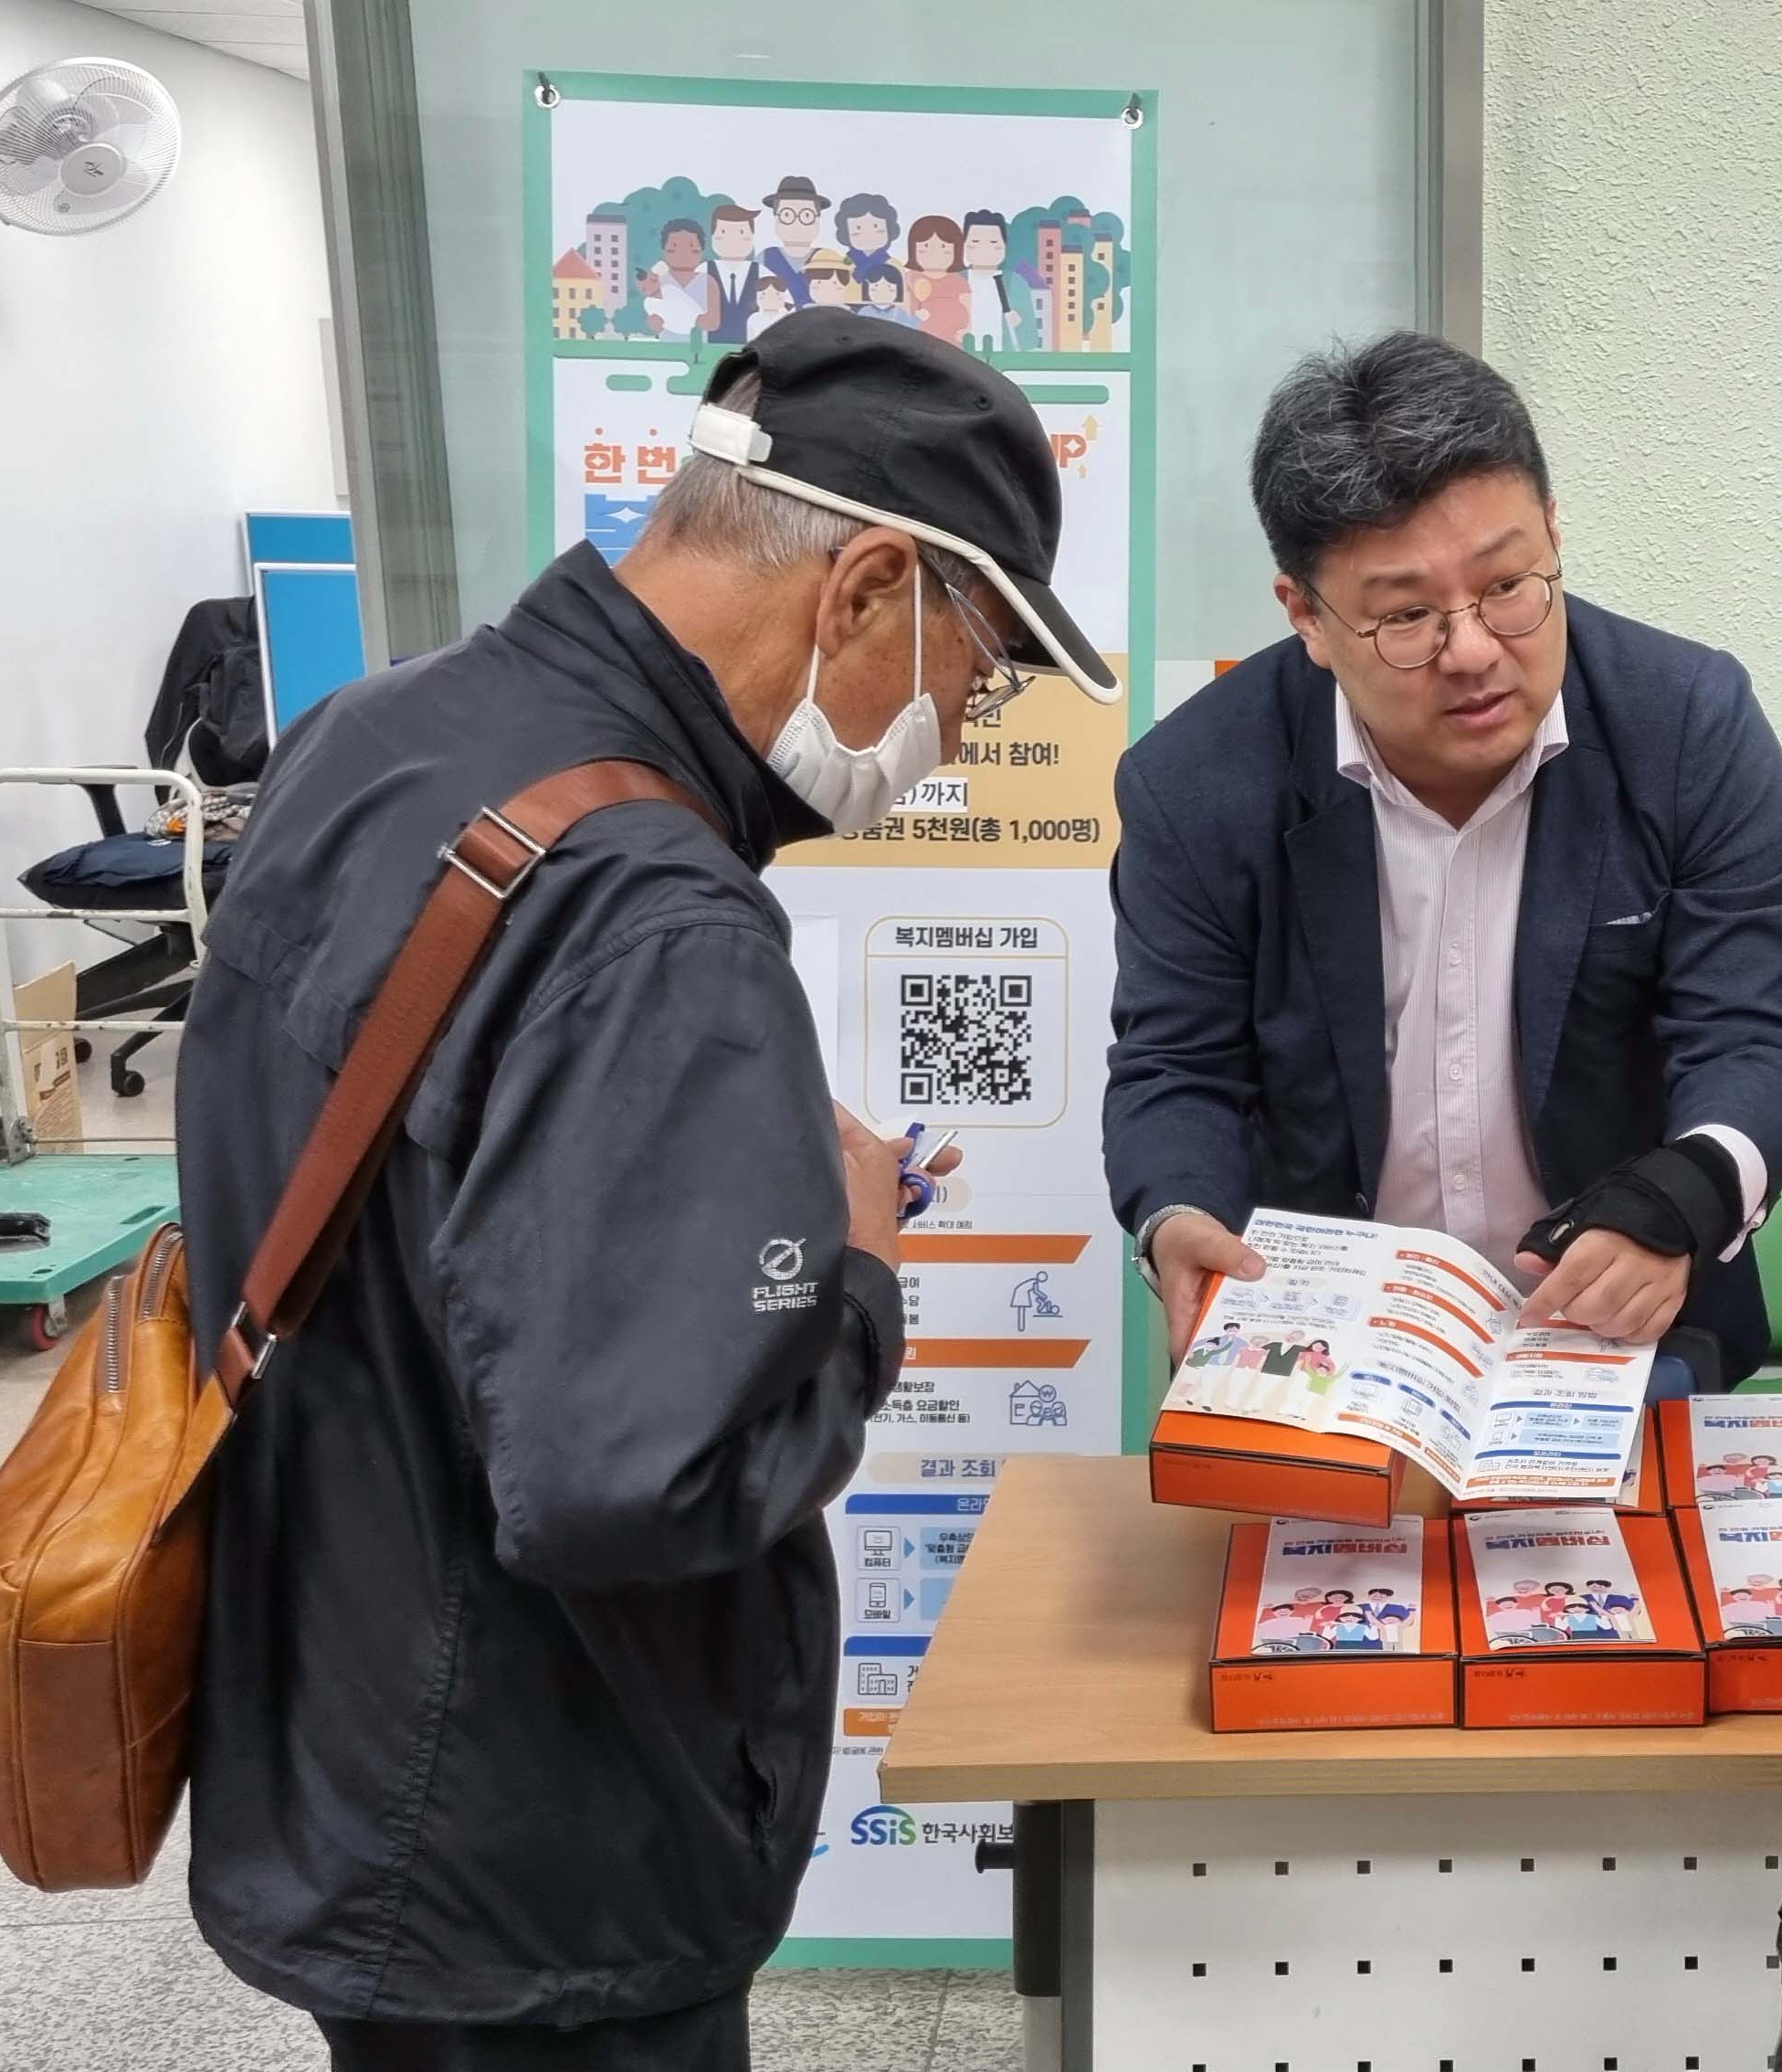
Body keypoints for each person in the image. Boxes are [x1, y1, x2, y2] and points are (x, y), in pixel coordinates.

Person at [174, 311, 1119, 2072]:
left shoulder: (386, 732)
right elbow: (640, 1478)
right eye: (975, 671)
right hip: (541, 1833)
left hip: (339, 1706)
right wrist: (853, 1267)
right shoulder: (652, 907)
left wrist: (718, 1149)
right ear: (864, 587)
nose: (959, 727)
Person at [1103, 333, 1782, 1392]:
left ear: (1553, 532)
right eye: (1405, 617)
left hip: (1621, 1336)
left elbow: (1751, 1032)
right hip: (1328, 1352)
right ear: (1305, 614)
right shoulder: (1198, 782)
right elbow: (1177, 1068)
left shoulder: (1686, 726)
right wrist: (1180, 1220)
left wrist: (1687, 1193)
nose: (1475, 648)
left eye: (1508, 585)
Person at [758, 174, 838, 302]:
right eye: (787, 215)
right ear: (776, 219)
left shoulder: (828, 258)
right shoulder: (765, 258)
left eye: (807, 215)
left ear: (817, 220)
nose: (797, 223)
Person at [701, 203, 767, 344]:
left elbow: (785, 302)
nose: (733, 240)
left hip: (751, 350)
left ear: (752, 237)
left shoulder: (761, 271)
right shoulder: (704, 270)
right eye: (723, 232)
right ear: (713, 237)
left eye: (742, 232)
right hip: (711, 345)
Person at [903, 215, 972, 346]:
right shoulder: (911, 278)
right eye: (925, 248)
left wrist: (965, 332)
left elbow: (968, 310)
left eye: (944, 249)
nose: (934, 254)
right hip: (921, 342)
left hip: (954, 343)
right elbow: (906, 311)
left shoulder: (959, 282)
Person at [960, 209, 1022, 351]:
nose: (984, 249)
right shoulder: (956, 280)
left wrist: (1018, 322)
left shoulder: (1015, 282)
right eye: (975, 242)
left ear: (1004, 246)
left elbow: (1031, 334)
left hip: (1003, 356)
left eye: (993, 242)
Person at [641, 217, 708, 340]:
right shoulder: (661, 281)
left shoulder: (708, 282)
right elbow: (654, 312)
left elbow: (714, 322)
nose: (683, 255)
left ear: (701, 251)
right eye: (673, 249)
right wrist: (655, 324)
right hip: (667, 344)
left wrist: (697, 320)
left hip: (700, 342)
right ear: (664, 251)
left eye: (693, 250)